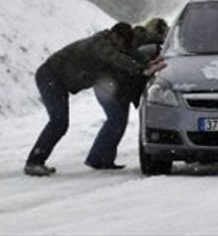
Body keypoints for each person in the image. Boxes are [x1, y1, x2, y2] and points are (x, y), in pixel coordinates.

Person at [24, 22, 165, 176]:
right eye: (121, 42)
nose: (122, 46)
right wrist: (141, 70)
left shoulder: (114, 43)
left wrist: (147, 62)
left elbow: (130, 52)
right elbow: (116, 58)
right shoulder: (99, 44)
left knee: (60, 123)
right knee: (59, 122)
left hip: (60, 81)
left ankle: (100, 159)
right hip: (50, 76)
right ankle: (34, 162)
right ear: (114, 35)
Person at [85, 19, 170, 169]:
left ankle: (105, 159)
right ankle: (96, 157)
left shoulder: (132, 40)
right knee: (115, 121)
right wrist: (145, 67)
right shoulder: (140, 40)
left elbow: (137, 56)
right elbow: (130, 60)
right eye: (164, 33)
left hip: (118, 88)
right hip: (110, 87)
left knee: (118, 122)